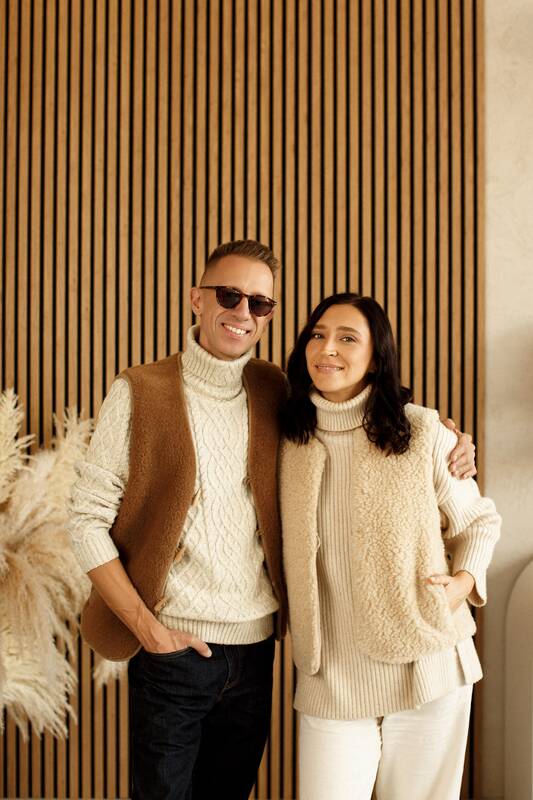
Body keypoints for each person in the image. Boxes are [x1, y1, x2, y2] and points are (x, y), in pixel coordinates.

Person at [68, 247, 476, 800]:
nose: (243, 312)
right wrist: (148, 630)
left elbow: (362, 419)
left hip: (258, 650)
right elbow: (86, 519)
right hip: (174, 649)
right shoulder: (140, 390)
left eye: (259, 303)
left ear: (269, 316)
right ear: (196, 299)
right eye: (229, 295)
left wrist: (451, 441)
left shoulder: (276, 392)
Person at [279, 292, 500, 800]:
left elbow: (479, 521)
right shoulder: (285, 436)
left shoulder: (422, 429)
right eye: (318, 335)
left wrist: (462, 583)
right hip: (331, 677)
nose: (327, 348)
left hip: (429, 664)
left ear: (376, 358)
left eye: (347, 338)